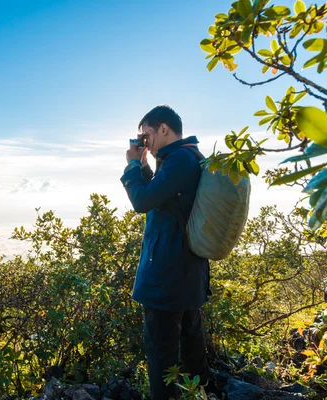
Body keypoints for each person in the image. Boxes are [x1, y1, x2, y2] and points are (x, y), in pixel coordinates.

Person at [120, 105, 211, 399]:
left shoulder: (180, 160)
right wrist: (146, 164)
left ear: (163, 128)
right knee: (190, 347)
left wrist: (132, 166)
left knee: (162, 356)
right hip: (186, 273)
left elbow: (143, 201)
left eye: (145, 134)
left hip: (166, 277)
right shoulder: (184, 157)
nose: (143, 141)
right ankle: (201, 394)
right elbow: (162, 196)